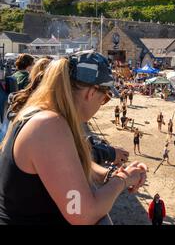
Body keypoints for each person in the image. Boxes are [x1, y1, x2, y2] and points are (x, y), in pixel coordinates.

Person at [0, 51, 148, 225]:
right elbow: (81, 213)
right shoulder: (48, 126)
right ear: (91, 93)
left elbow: (67, 166)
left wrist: (109, 175)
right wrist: (122, 181)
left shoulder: (41, 115)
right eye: (105, 98)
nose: (102, 104)